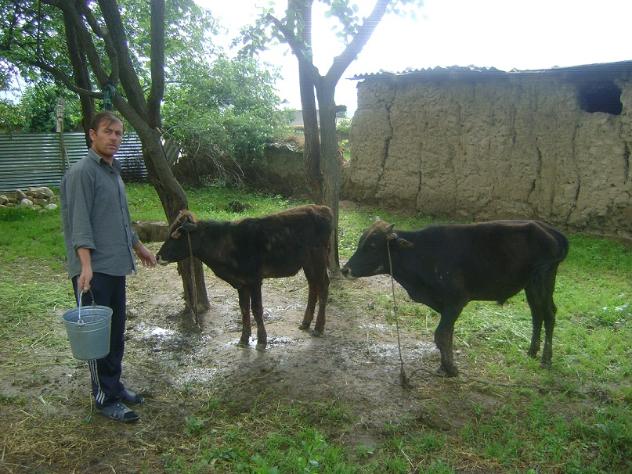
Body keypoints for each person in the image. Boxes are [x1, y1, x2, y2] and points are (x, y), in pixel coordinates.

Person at [61, 111, 156, 422]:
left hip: (115, 266)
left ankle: (114, 386)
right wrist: (85, 266)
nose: (114, 138)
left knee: (115, 334)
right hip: (94, 271)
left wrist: (139, 247)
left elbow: (121, 219)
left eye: (118, 133)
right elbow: (79, 223)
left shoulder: (112, 172)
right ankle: (104, 398)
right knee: (96, 338)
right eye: (108, 131)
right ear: (92, 134)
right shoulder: (82, 173)